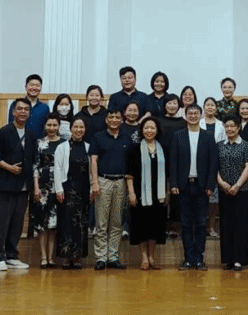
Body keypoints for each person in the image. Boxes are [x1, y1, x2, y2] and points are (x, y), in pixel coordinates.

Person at [169, 103, 218, 270]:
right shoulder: (178, 136)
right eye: (190, 113)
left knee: (201, 223)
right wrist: (173, 183)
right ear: (185, 115)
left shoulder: (208, 136)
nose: (193, 116)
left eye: (196, 113)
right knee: (185, 224)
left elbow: (213, 163)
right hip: (183, 186)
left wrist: (210, 185)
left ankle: (199, 258)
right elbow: (173, 161)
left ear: (200, 115)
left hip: (201, 186)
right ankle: (188, 258)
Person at [0, 97, 36, 271]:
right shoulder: (3, 132)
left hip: (24, 186)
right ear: (13, 112)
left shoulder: (31, 135)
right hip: (6, 184)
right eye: (20, 109)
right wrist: (10, 168)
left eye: (26, 109)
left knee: (17, 222)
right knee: (2, 222)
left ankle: (11, 256)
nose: (23, 112)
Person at [89, 109, 133, 270]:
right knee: (101, 222)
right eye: (111, 117)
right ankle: (101, 257)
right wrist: (95, 182)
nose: (114, 119)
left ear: (121, 120)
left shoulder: (126, 138)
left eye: (117, 117)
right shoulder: (98, 137)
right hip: (103, 181)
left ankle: (113, 257)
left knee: (116, 222)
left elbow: (130, 162)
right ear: (106, 120)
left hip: (121, 182)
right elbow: (93, 160)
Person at [126, 117, 169, 270]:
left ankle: (152, 256)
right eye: (146, 128)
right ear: (142, 130)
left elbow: (168, 174)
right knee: (141, 225)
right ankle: (144, 257)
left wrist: (167, 193)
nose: (149, 131)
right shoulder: (134, 149)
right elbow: (129, 174)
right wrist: (131, 193)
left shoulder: (164, 148)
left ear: (157, 130)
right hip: (140, 194)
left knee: (155, 225)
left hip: (159, 194)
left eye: (152, 128)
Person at [216, 116, 248, 271]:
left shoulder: (246, 145)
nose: (230, 129)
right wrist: (221, 183)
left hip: (242, 191)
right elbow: (214, 166)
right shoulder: (219, 145)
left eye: (233, 126)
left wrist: (237, 185)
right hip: (224, 190)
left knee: (241, 224)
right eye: (227, 126)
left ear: (239, 128)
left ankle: (239, 259)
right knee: (226, 225)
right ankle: (228, 259)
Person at [54, 118, 91, 269]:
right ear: (71, 129)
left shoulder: (89, 147)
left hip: (83, 191)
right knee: (66, 223)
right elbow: (57, 168)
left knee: (81, 224)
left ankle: (77, 257)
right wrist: (58, 189)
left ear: (85, 129)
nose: (78, 130)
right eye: (75, 127)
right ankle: (66, 256)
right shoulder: (62, 147)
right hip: (67, 190)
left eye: (81, 127)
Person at [29, 113, 65, 269]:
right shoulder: (39, 143)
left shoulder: (64, 143)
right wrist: (36, 187)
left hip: (58, 187)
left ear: (59, 126)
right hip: (42, 188)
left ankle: (51, 258)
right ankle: (44, 258)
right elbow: (35, 166)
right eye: (49, 125)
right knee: (42, 225)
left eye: (54, 125)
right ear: (45, 126)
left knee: (54, 225)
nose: (51, 128)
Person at [159, 94, 187, 238]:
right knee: (161, 194)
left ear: (179, 105)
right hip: (160, 161)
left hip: (179, 163)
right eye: (169, 103)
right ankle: (161, 226)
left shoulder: (183, 122)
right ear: (165, 105)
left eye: (174, 103)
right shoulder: (158, 120)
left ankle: (175, 227)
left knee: (177, 196)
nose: (172, 106)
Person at [200, 97, 225, 237]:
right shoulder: (198, 123)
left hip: (216, 163)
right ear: (204, 107)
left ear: (216, 108)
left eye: (212, 105)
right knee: (201, 198)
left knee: (214, 200)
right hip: (200, 164)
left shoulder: (221, 125)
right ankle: (201, 227)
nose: (210, 107)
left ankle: (211, 227)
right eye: (207, 105)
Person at [8, 74, 50, 140]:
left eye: (37, 85)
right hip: (18, 142)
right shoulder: (16, 104)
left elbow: (45, 128)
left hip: (38, 143)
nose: (34, 88)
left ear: (41, 88)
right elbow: (11, 124)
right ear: (26, 86)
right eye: (31, 85)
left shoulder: (45, 107)